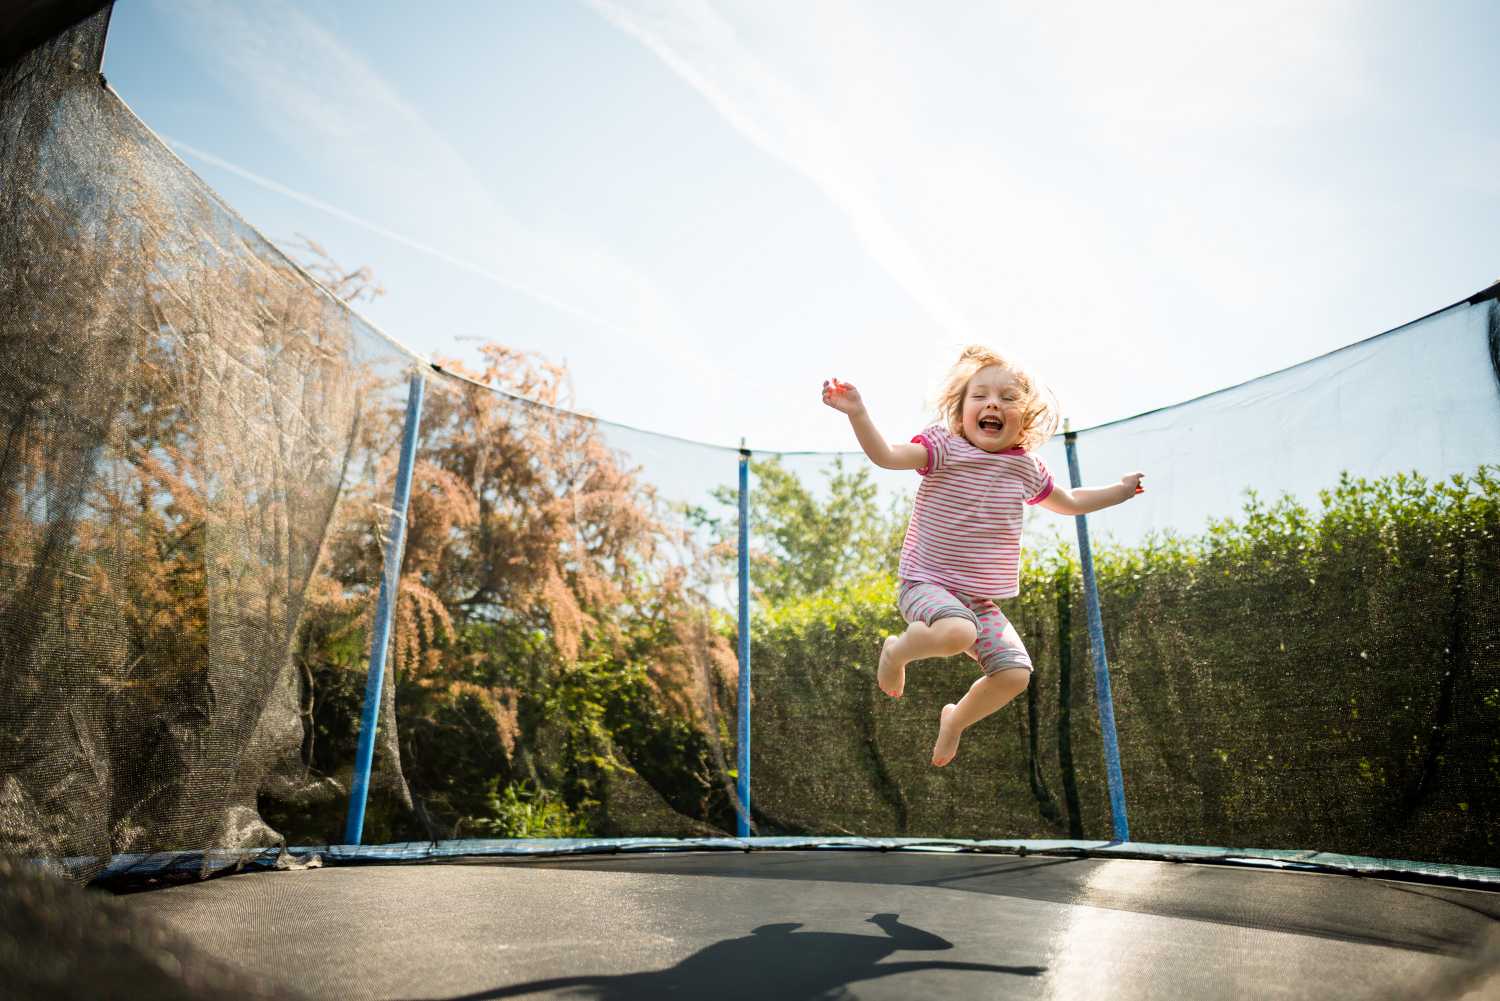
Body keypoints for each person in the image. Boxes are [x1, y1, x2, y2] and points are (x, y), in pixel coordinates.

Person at [821, 346, 1144, 767]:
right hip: (925, 583)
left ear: (1025, 418)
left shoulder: (1026, 468)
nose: (993, 403)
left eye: (1008, 398)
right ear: (960, 411)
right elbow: (887, 456)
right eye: (981, 396)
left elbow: (1068, 501)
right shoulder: (944, 448)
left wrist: (1119, 491)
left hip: (977, 599)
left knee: (1014, 673)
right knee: (958, 633)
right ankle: (895, 652)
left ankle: (955, 720)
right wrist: (857, 413)